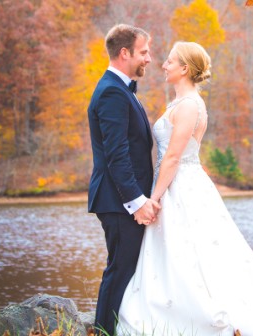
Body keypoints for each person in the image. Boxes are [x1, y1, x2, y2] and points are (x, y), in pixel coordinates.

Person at [116, 42, 253, 336]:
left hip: (180, 186)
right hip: (176, 183)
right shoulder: (180, 103)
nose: (163, 65)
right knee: (179, 252)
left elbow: (173, 157)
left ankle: (197, 315)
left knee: (194, 251)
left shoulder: (189, 105)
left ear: (184, 68)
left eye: (170, 61)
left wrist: (153, 200)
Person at [87, 24, 160, 336]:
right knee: (120, 271)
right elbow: (117, 155)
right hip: (118, 201)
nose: (149, 59)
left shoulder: (121, 89)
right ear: (124, 53)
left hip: (123, 199)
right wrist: (136, 203)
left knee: (126, 269)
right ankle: (103, 331)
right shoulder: (112, 93)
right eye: (144, 52)